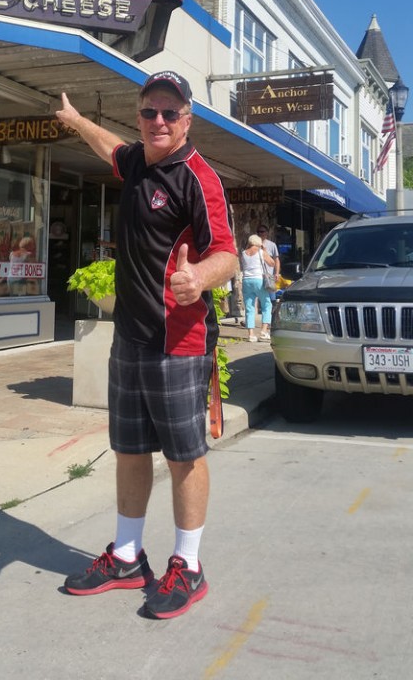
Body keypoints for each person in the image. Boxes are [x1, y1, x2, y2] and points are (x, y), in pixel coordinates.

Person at [56, 70, 238, 619]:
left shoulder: (199, 178)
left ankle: (190, 565)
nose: (158, 121)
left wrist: (199, 279)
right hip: (130, 338)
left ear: (187, 120)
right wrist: (76, 120)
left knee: (184, 456)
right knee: (130, 449)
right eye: (149, 111)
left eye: (170, 112)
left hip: (180, 340)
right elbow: (110, 147)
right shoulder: (136, 160)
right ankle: (129, 557)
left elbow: (226, 252)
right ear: (139, 116)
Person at [240, 234, 275, 342]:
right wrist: (264, 250)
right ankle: (263, 332)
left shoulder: (243, 253)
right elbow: (272, 263)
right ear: (258, 243)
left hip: (246, 281)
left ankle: (251, 334)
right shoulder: (260, 252)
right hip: (258, 280)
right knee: (266, 304)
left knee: (249, 307)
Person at [258, 223, 280, 300]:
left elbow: (276, 260)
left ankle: (272, 311)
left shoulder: (272, 245)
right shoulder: (254, 245)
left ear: (267, 233)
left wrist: (276, 273)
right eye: (259, 232)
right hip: (258, 276)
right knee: (260, 299)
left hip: (269, 276)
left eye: (262, 231)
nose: (260, 233)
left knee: (271, 298)